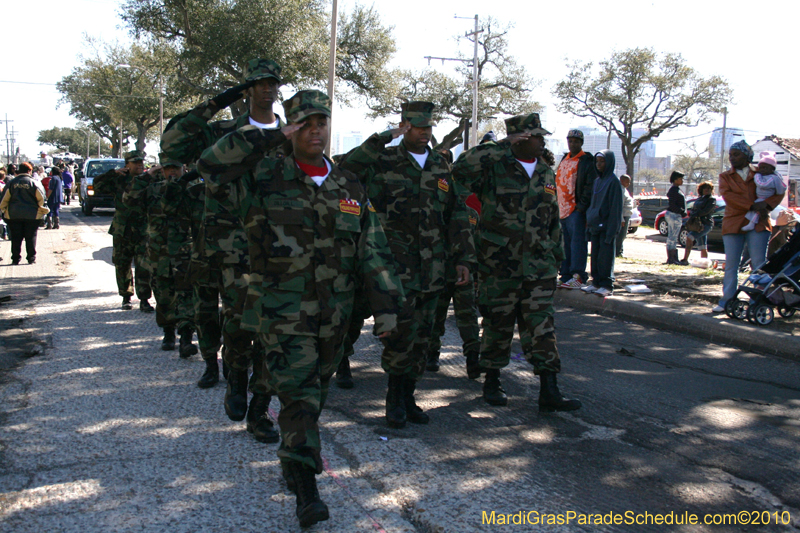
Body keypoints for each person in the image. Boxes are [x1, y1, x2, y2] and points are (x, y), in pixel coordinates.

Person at [198, 90, 405, 528]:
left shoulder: (347, 184)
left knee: (312, 395)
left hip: (334, 318)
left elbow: (374, 251)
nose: (315, 130)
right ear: (290, 126)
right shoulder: (262, 176)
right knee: (298, 398)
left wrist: (387, 311)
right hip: (281, 313)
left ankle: (292, 462)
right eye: (305, 123)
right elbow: (211, 166)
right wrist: (268, 136)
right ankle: (308, 491)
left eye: (321, 122)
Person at [161, 58, 284, 444]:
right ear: (247, 89)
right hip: (231, 248)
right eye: (258, 82)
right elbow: (174, 141)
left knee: (273, 331)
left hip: (279, 249)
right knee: (238, 325)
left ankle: (260, 407)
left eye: (272, 82)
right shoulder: (222, 132)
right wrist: (219, 101)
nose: (266, 88)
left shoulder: (291, 133)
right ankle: (235, 378)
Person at [338, 101, 474, 428]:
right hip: (393, 268)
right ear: (404, 126)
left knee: (423, 337)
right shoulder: (383, 160)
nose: (424, 132)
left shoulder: (440, 166)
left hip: (433, 269)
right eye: (417, 126)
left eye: (428, 127)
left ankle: (408, 395)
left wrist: (464, 257)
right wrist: (381, 138)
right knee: (399, 334)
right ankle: (392, 399)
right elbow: (346, 169)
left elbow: (456, 213)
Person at [453, 113, 581, 412]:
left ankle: (549, 390)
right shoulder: (494, 167)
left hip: (539, 267)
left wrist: (556, 257)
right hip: (500, 266)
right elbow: (460, 169)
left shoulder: (546, 173)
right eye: (536, 135)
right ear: (520, 138)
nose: (542, 140)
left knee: (542, 328)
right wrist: (501, 144)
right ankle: (492, 382)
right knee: (498, 325)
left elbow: (552, 220)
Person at [713, 141, 785, 313]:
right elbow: (729, 197)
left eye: (736, 154)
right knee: (731, 264)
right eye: (730, 154)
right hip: (733, 222)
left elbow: (779, 191)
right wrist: (752, 205)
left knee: (759, 265)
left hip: (759, 222)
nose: (732, 158)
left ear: (747, 156)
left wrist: (766, 205)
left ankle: (758, 302)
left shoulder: (762, 171)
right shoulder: (725, 176)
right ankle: (727, 301)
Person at [92, 150, 153, 311]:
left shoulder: (148, 179)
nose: (140, 165)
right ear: (127, 164)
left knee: (143, 265)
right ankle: (126, 296)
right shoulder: (118, 179)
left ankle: (144, 298)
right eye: (136, 162)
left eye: (141, 162)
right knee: (122, 263)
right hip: (122, 228)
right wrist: (112, 173)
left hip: (143, 228)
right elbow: (97, 186)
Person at [555, 129, 596, 289]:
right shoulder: (564, 159)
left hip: (575, 210)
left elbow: (589, 185)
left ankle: (578, 276)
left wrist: (581, 207)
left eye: (576, 141)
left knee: (577, 243)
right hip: (562, 209)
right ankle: (565, 275)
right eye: (570, 141)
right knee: (565, 244)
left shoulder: (586, 161)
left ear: (581, 143)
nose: (573, 144)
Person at [581, 150, 623, 296]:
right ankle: (596, 282)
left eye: (602, 161)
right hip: (594, 226)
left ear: (609, 162)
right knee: (595, 256)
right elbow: (593, 204)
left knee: (605, 257)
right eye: (597, 161)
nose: (599, 164)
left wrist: (612, 230)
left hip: (606, 227)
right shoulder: (597, 181)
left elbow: (615, 209)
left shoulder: (613, 182)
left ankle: (607, 285)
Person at [0, 162, 49, 264]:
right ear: (29, 171)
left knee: (16, 238)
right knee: (31, 237)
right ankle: (31, 258)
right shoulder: (34, 183)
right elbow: (41, 199)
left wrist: (3, 210)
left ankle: (15, 258)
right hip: (32, 215)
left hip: (13, 215)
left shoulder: (11, 183)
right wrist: (42, 211)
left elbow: (4, 200)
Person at [742, 152, 786, 232]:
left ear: (772, 169)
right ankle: (751, 223)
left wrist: (757, 175)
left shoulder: (772, 178)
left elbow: (762, 184)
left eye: (765, 168)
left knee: (757, 209)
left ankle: (751, 224)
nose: (762, 170)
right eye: (761, 168)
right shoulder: (770, 177)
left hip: (764, 198)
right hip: (761, 198)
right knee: (756, 211)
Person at [680, 181, 716, 265]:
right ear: (701, 189)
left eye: (709, 188)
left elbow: (706, 211)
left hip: (706, 224)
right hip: (697, 224)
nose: (707, 190)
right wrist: (692, 214)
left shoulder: (711, 199)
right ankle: (704, 263)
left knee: (689, 237)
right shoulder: (699, 199)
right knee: (703, 246)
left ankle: (685, 259)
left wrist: (696, 213)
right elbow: (693, 210)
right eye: (705, 188)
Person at [664, 171, 686, 265]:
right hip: (674, 215)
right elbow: (672, 204)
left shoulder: (676, 189)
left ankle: (673, 258)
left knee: (673, 236)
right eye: (680, 179)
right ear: (675, 180)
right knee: (672, 237)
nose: (682, 181)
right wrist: (682, 211)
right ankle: (672, 258)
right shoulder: (673, 190)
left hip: (675, 214)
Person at [616, 174, 633, 257]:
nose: (628, 184)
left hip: (627, 215)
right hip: (623, 216)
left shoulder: (625, 190)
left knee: (623, 235)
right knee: (621, 235)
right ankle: (618, 252)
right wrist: (621, 219)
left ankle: (620, 250)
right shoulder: (621, 190)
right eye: (627, 182)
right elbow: (620, 205)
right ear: (622, 181)